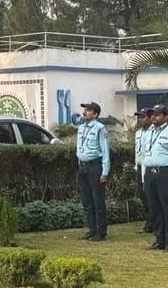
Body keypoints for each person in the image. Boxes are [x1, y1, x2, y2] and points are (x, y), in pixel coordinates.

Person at [142, 104, 168, 252]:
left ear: (165, 117)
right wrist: (144, 178)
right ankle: (159, 239)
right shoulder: (147, 133)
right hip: (150, 173)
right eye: (152, 114)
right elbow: (144, 156)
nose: (154, 117)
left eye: (158, 114)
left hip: (165, 173)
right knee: (154, 208)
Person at [75, 102, 109, 241]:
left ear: (95, 114)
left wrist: (105, 172)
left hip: (95, 167)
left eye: (88, 110)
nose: (85, 112)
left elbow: (105, 151)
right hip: (83, 167)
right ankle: (92, 229)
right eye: (85, 110)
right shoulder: (81, 127)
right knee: (87, 201)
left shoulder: (100, 128)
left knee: (97, 201)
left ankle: (101, 232)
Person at [133, 108, 154, 234]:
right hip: (140, 167)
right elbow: (137, 151)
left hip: (149, 167)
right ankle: (149, 222)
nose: (141, 119)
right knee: (143, 195)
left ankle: (153, 223)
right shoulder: (138, 133)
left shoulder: (154, 132)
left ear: (151, 118)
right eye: (139, 117)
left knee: (151, 196)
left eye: (143, 117)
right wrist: (136, 166)